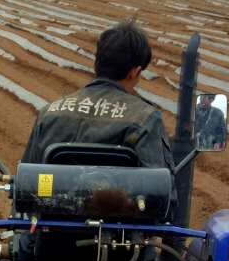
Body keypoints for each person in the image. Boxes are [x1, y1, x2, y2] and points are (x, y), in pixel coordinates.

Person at [20, 20, 192, 225]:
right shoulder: (145, 119)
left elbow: (26, 186)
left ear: (97, 63)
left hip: (48, 243)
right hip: (123, 247)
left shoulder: (50, 112)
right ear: (134, 72)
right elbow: (163, 199)